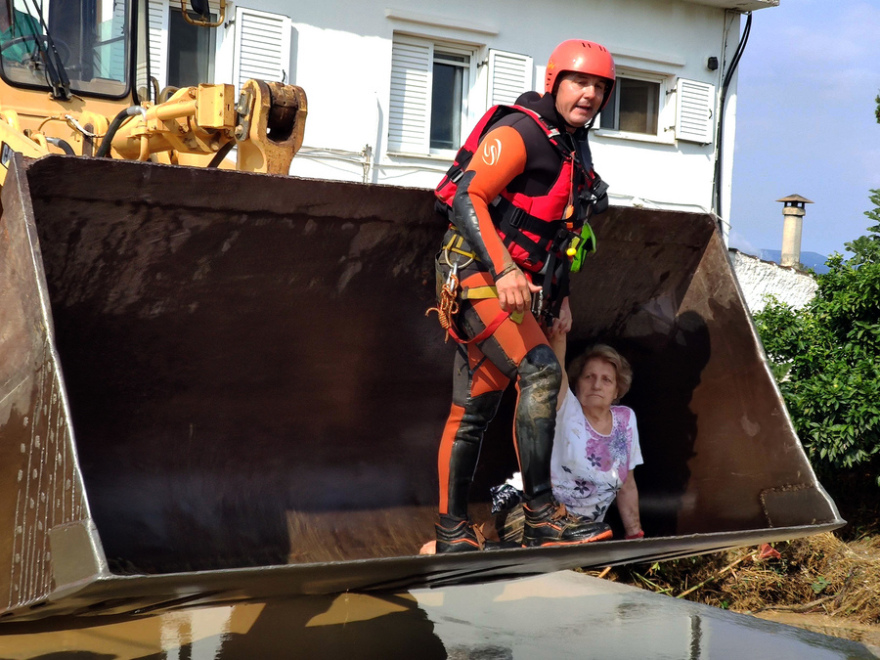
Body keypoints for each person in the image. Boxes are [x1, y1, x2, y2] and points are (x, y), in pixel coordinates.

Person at [428, 39, 616, 552]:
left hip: (509, 287)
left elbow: (561, 233)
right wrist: (505, 268)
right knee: (541, 371)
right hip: (472, 274)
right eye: (579, 82)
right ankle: (541, 516)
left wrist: (561, 298)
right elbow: (468, 196)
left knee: (474, 408)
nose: (589, 94)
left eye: (600, 87)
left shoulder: (572, 147)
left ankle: (451, 533)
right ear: (555, 83)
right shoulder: (522, 131)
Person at [548, 330, 644, 538]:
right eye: (589, 377)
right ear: (577, 383)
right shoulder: (565, 410)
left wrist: (634, 534)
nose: (597, 385)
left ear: (616, 390)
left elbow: (627, 484)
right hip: (551, 529)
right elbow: (555, 372)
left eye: (606, 380)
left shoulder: (625, 420)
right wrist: (559, 335)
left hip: (588, 536)